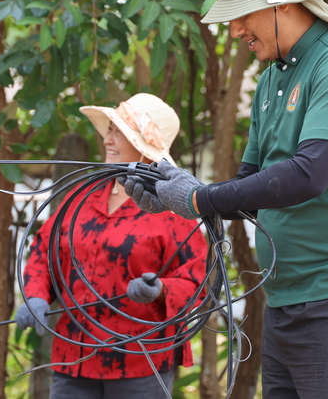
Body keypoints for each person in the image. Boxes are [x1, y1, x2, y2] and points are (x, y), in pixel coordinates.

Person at [122, 0, 328, 398]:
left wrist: (200, 198)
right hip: (287, 301)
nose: (235, 29)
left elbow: (308, 175)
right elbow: (249, 189)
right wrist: (171, 194)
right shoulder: (272, 79)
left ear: (280, 0)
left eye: (243, 14)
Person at [14, 93, 208, 399]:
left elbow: (197, 283)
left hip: (141, 363)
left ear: (144, 148)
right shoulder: (80, 198)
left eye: (119, 132)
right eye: (109, 130)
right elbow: (42, 252)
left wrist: (159, 291)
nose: (108, 140)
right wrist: (36, 295)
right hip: (72, 360)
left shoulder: (174, 211)